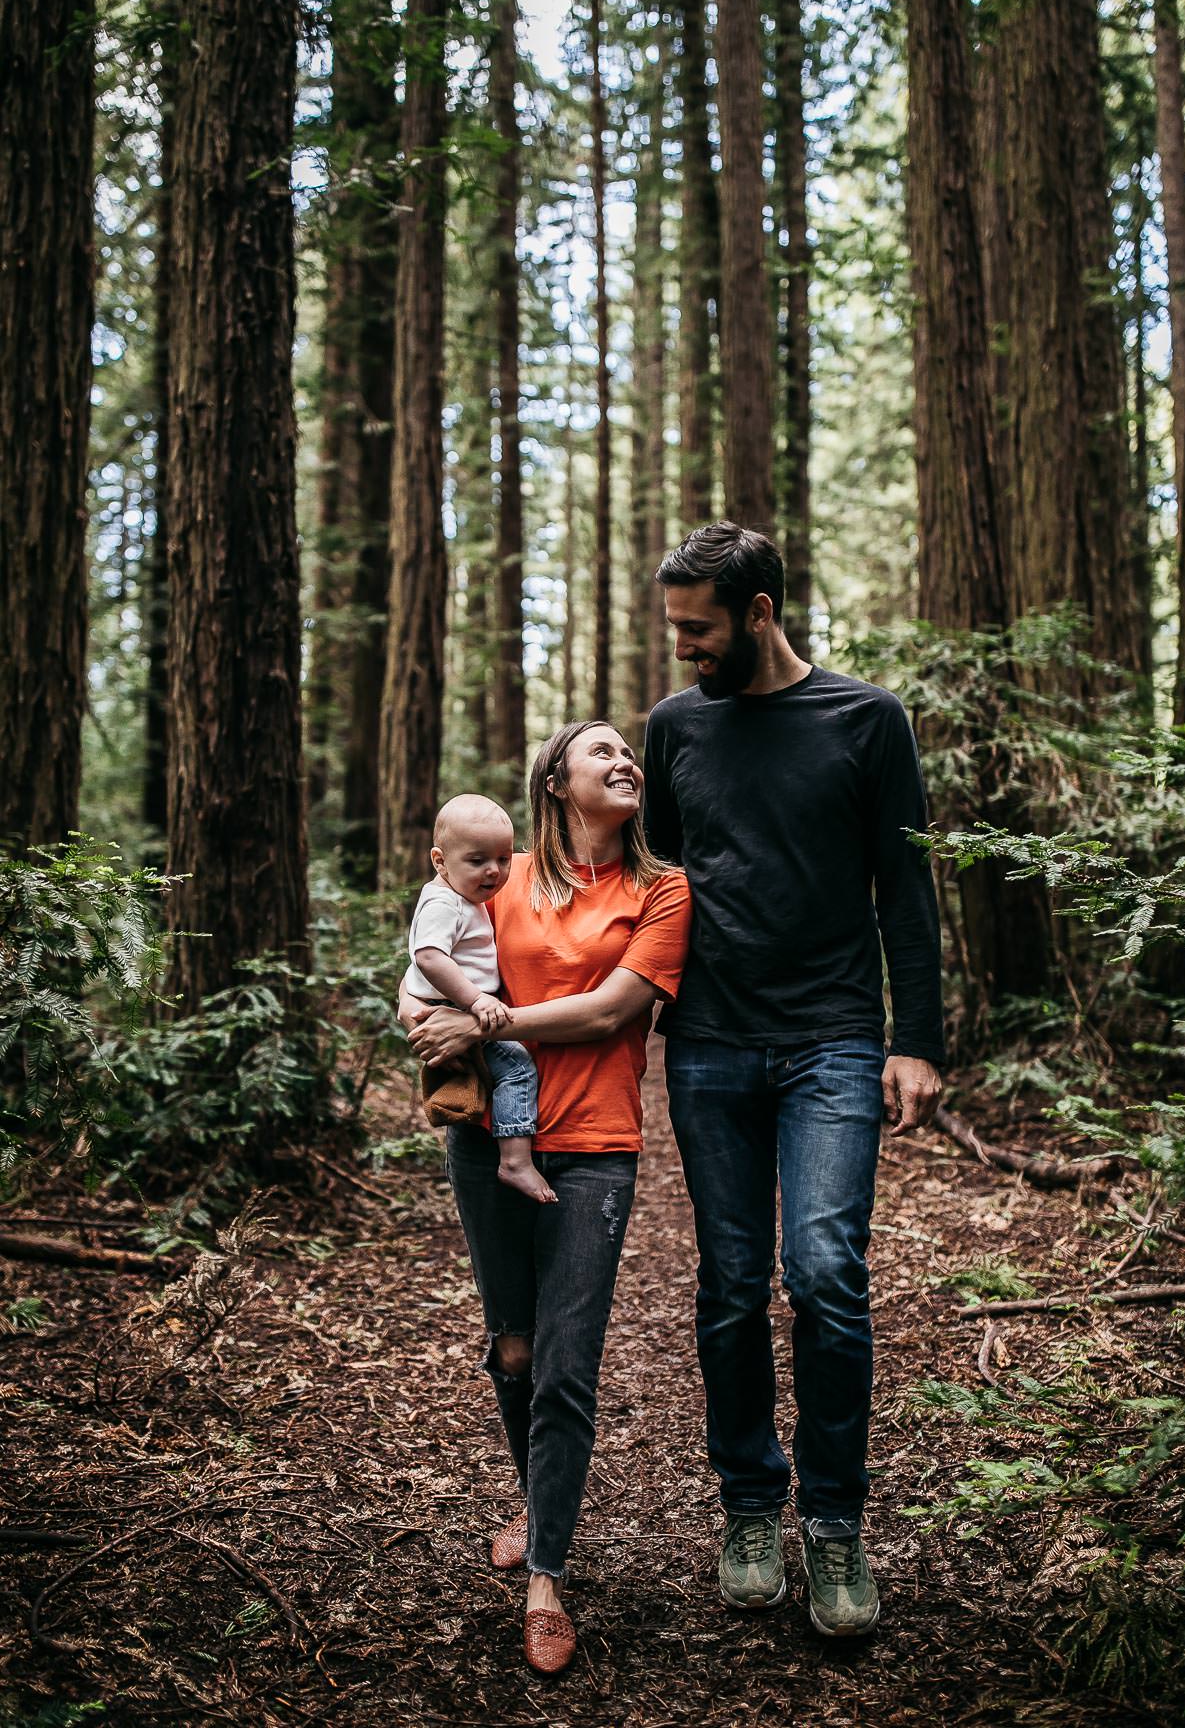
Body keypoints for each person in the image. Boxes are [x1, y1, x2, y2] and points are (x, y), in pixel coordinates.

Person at [642, 521, 945, 1638]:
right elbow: (659, 880)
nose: (681, 648)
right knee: (728, 1283)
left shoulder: (866, 720)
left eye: (697, 627)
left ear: (759, 612)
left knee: (823, 1272)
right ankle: (749, 1505)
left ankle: (835, 1522)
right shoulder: (675, 726)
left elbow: (905, 894)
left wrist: (917, 1038)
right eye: (675, 626)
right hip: (711, 1042)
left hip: (831, 1038)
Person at [400, 722, 692, 1675]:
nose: (624, 760)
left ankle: (548, 1577)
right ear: (557, 783)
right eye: (599, 749)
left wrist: (489, 1025)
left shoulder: (661, 889)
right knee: (515, 1348)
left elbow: (616, 1009)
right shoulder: (503, 873)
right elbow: (428, 956)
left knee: (567, 1367)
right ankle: (539, 1508)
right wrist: (423, 1017)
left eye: (629, 750)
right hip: (486, 1144)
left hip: (596, 1148)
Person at [408, 793, 555, 1205]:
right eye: (477, 861)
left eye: (504, 859)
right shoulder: (442, 902)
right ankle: (514, 1159)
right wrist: (475, 1001)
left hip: (458, 1006)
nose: (494, 871)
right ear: (440, 860)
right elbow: (428, 957)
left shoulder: (460, 897)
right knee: (517, 1068)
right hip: (458, 1007)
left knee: (481, 1075)